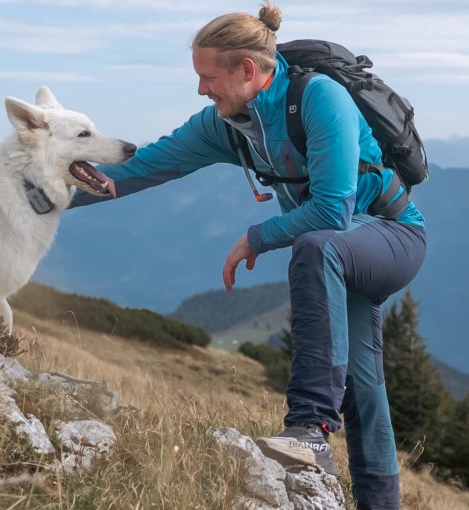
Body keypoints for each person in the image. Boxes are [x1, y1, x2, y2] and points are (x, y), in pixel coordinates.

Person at [69, 2, 425, 508]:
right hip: (341, 250)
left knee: (315, 244)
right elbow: (142, 167)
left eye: (207, 76)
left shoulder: (321, 98)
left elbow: (331, 212)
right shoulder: (227, 124)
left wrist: (255, 238)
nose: (200, 89)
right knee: (363, 389)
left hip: (392, 236)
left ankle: (309, 428)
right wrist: (44, 194)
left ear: (249, 70)